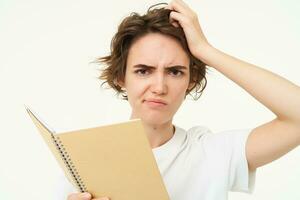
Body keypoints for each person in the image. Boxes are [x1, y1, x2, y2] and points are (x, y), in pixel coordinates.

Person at [63, 1, 300, 200]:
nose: (159, 87)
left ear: (191, 80)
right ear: (120, 77)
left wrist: (206, 51)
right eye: (143, 71)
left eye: (175, 71)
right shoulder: (82, 160)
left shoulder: (211, 154)